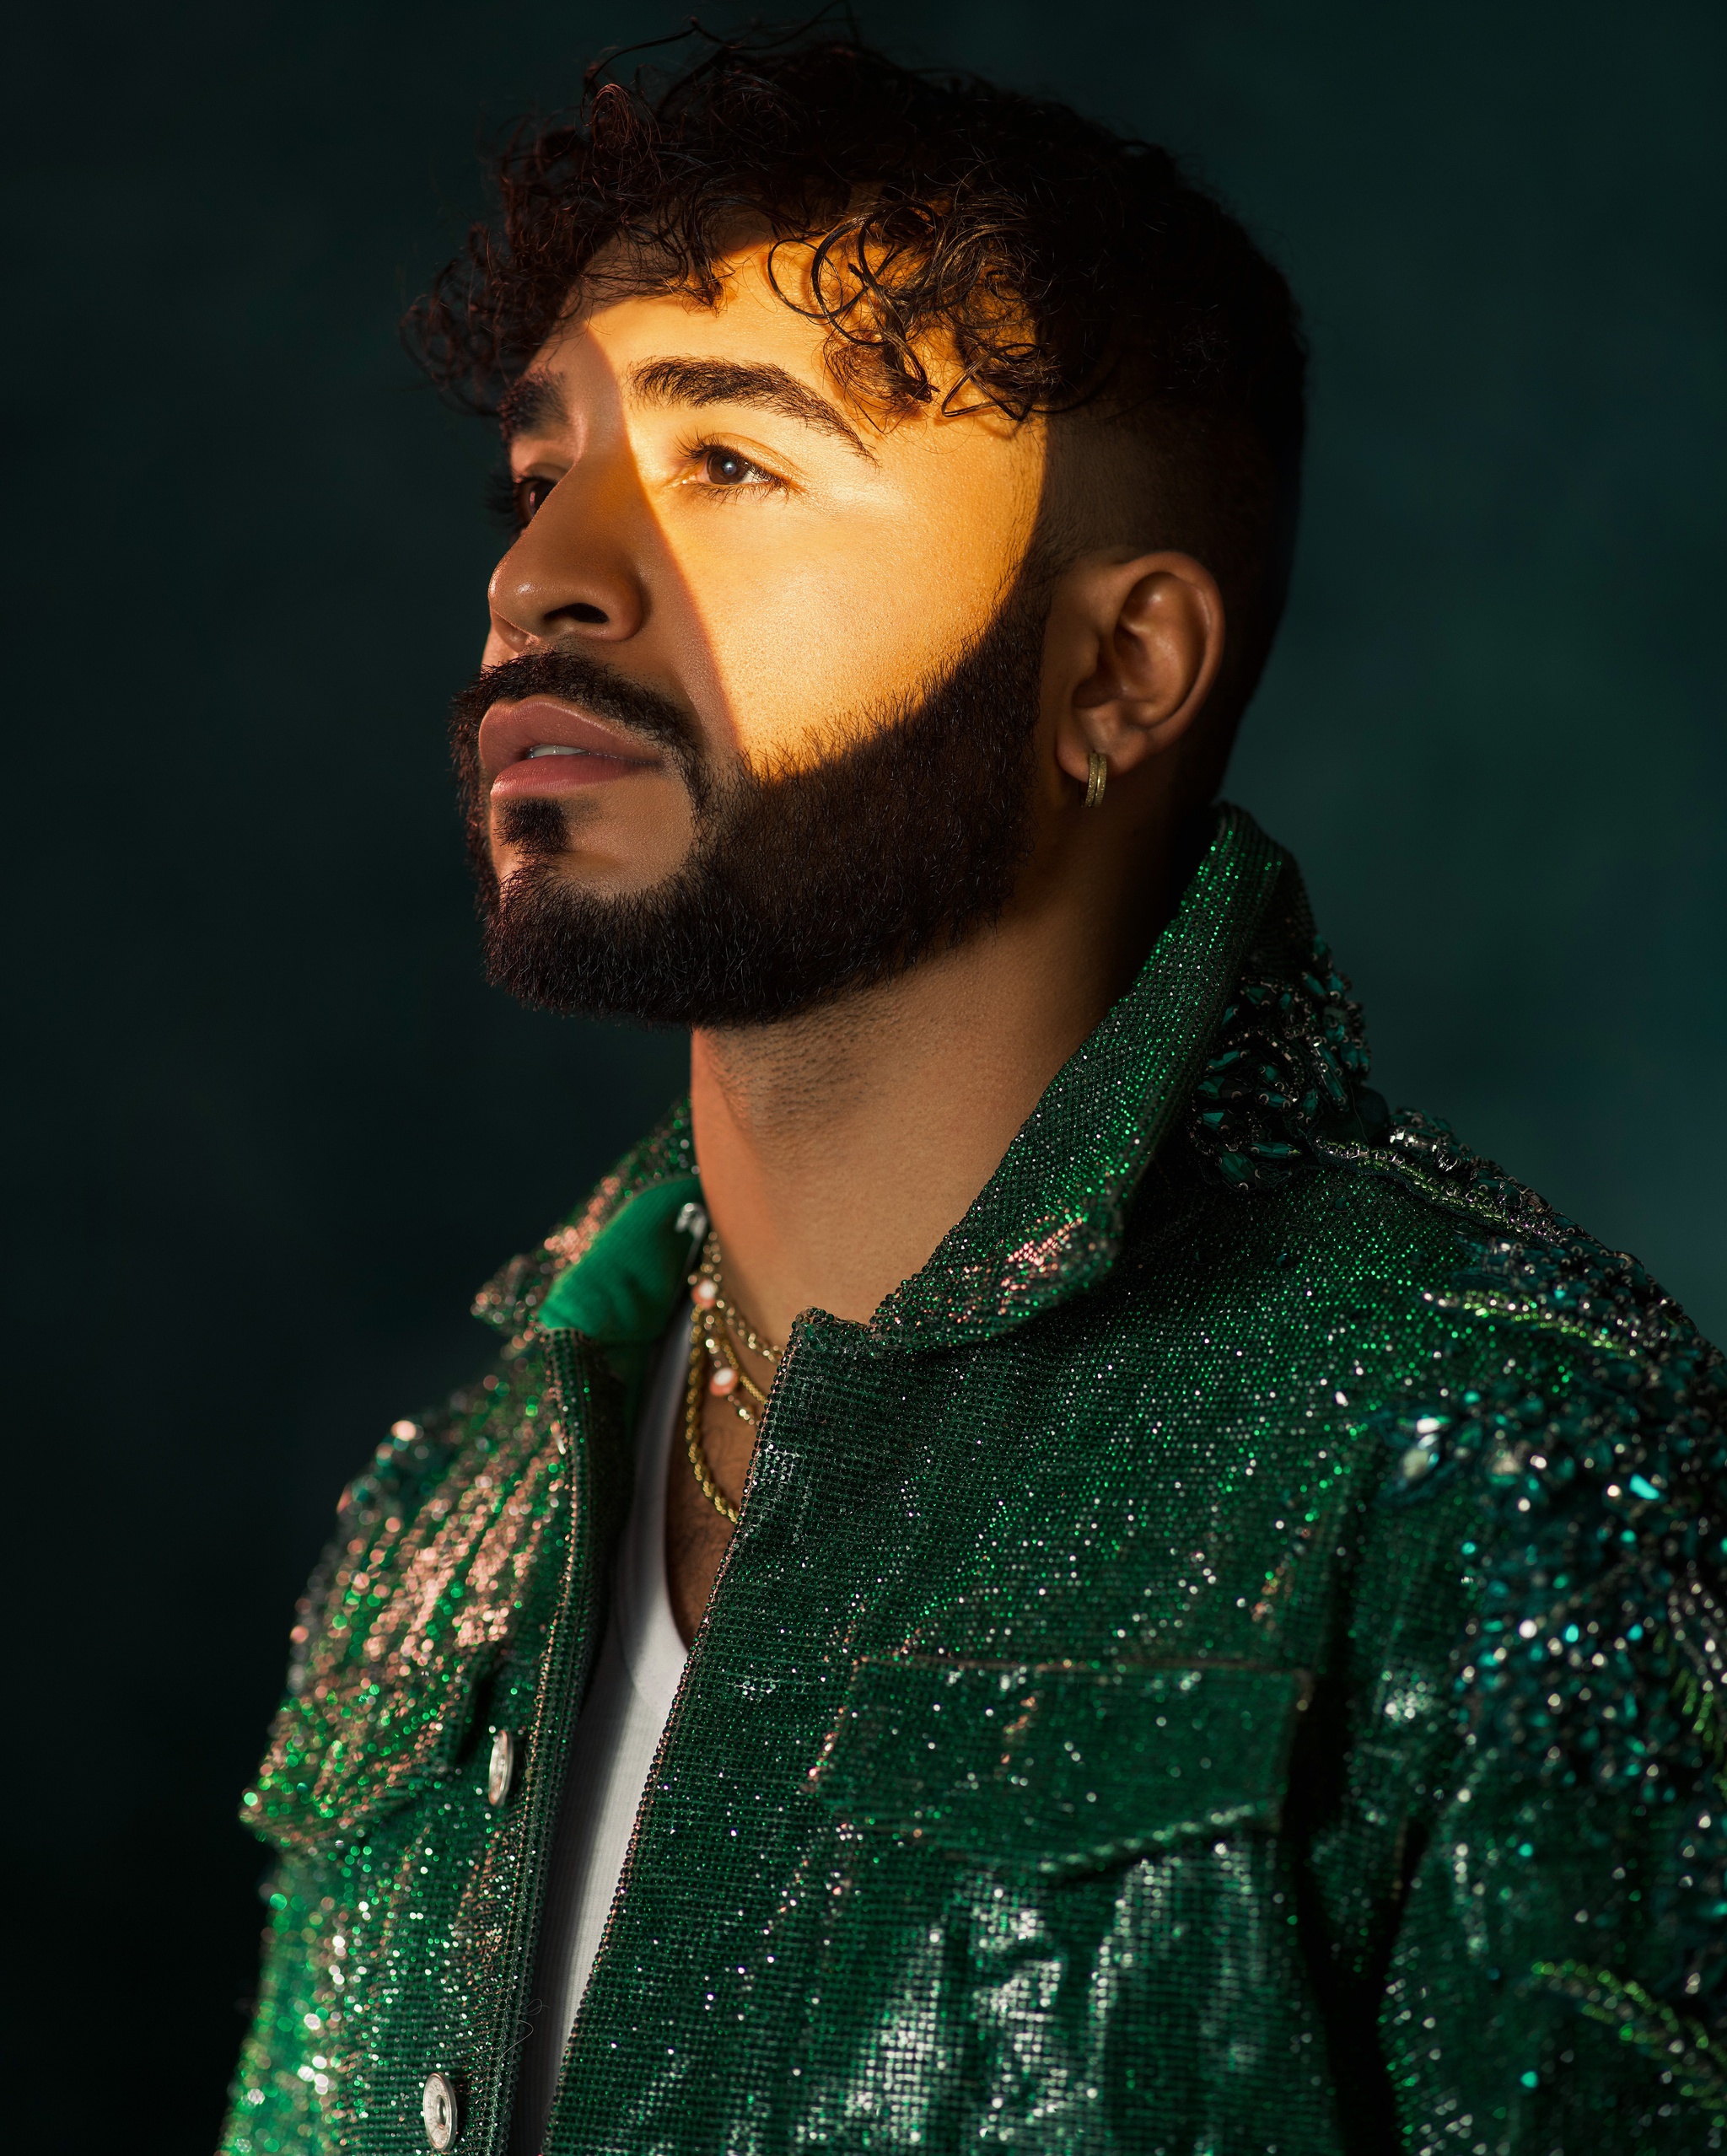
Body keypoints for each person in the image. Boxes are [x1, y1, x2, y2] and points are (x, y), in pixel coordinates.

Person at [222, 32, 1727, 2156]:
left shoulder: (1479, 1450)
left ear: (1119, 672)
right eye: (536, 472)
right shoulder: (442, 1523)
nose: (540, 573)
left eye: (730, 464)